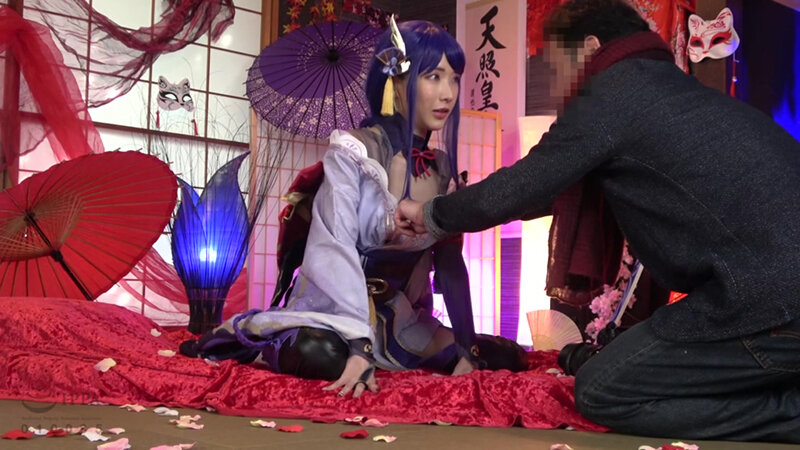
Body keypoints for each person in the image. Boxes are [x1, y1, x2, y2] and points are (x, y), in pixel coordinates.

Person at [395, 0, 800, 443]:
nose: (557, 84)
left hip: (770, 301)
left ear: (589, 48)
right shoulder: (665, 88)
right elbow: (550, 189)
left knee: (604, 389)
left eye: (555, 66)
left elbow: (526, 183)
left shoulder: (613, 92)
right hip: (772, 288)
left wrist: (431, 213)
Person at [181, 18, 527, 398]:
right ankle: (257, 341)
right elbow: (334, 244)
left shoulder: (443, 168)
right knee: (322, 353)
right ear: (395, 82)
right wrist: (359, 346)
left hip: (399, 318)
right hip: (333, 309)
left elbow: (448, 261)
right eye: (433, 76)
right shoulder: (353, 152)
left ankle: (404, 349)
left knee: (503, 355)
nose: (448, 94)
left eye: (454, 78)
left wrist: (466, 347)